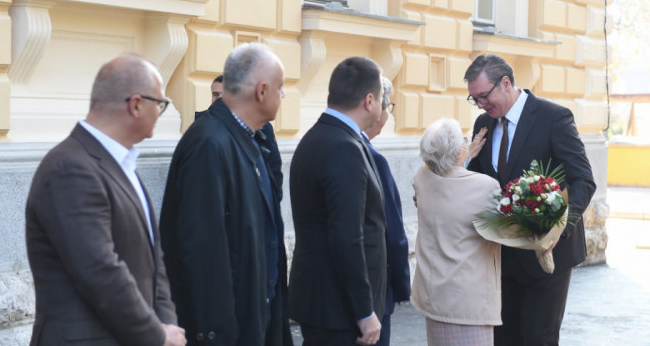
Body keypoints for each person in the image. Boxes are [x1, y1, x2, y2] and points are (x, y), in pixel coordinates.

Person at [25, 54, 186, 346]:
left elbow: (154, 262)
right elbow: (101, 272)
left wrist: (166, 325)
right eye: (159, 104)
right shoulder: (70, 168)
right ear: (136, 105)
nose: (161, 113)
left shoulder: (121, 164)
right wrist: (156, 335)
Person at [159, 43, 293, 346]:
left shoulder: (245, 138)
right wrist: (216, 333)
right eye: (280, 88)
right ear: (262, 91)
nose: (283, 96)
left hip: (255, 317)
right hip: (226, 331)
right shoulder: (210, 143)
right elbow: (201, 251)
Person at [464, 53, 596, 346]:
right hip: (501, 256)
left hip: (547, 256)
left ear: (506, 83)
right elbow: (474, 180)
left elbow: (583, 180)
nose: (481, 105)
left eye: (484, 96)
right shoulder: (483, 124)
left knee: (538, 338)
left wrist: (557, 229)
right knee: (504, 338)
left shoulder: (554, 117)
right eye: (475, 100)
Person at [289, 56, 387, 346]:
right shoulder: (342, 147)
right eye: (382, 98)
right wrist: (364, 310)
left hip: (329, 305)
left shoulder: (321, 136)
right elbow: (347, 236)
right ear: (369, 100)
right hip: (340, 314)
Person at [411, 118, 502, 346]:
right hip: (466, 302)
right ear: (458, 150)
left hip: (433, 297)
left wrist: (465, 156)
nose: (466, 142)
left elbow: (444, 172)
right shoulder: (486, 186)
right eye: (463, 139)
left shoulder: (422, 178)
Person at [361, 77, 411, 346]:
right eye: (389, 106)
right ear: (374, 106)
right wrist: (402, 284)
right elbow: (393, 229)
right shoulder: (374, 159)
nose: (388, 114)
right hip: (374, 289)